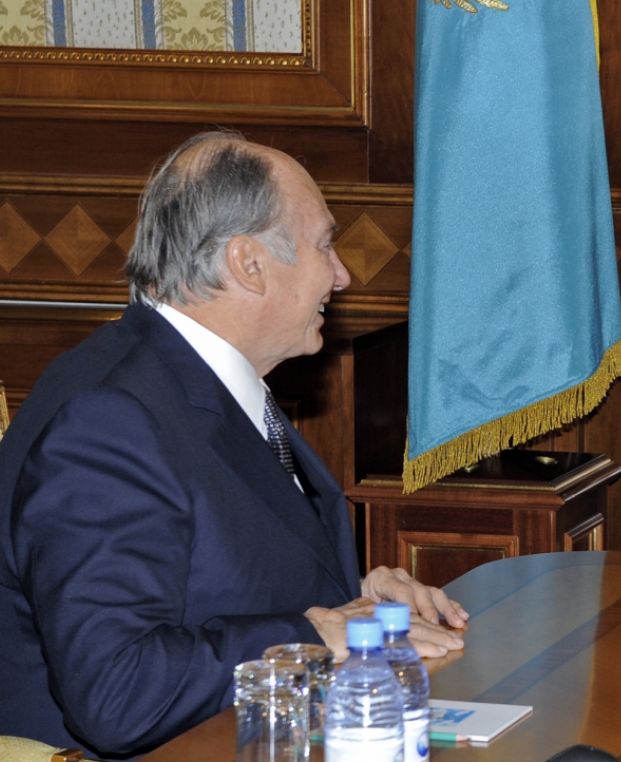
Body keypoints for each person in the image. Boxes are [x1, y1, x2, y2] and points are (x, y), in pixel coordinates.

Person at [0, 133, 469, 758]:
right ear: (249, 265)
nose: (341, 274)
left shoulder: (189, 376)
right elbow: (116, 690)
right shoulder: (108, 417)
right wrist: (314, 631)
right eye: (325, 245)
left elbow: (203, 564)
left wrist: (354, 600)